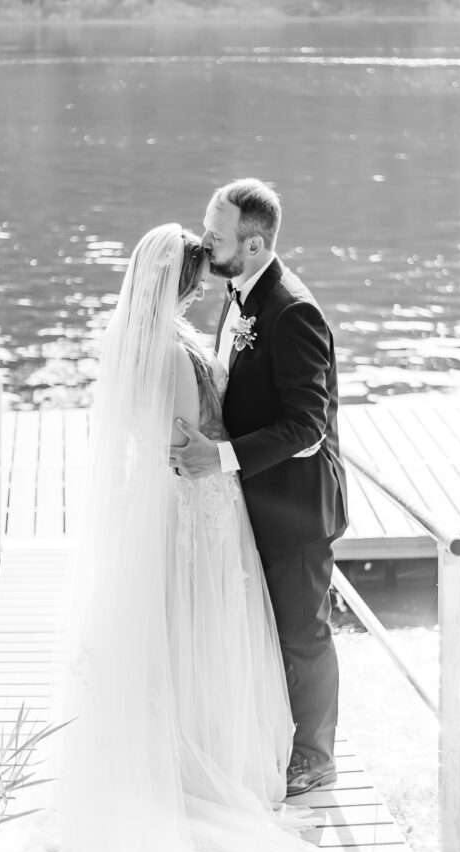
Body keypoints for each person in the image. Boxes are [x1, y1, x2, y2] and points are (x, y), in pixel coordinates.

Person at [0, 224, 349, 852]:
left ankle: (193, 752)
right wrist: (218, 449)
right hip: (196, 508)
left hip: (172, 500)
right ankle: (202, 763)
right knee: (202, 634)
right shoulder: (171, 344)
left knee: (183, 638)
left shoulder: (140, 335)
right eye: (199, 267)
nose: (208, 273)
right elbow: (194, 435)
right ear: (182, 281)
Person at [169, 180, 348, 798]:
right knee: (268, 630)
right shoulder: (238, 292)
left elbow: (307, 425)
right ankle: (276, 742)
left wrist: (217, 456)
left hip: (297, 507)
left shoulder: (292, 310)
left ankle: (315, 756)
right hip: (254, 495)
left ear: (251, 243)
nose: (204, 241)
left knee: (303, 634)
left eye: (215, 236)